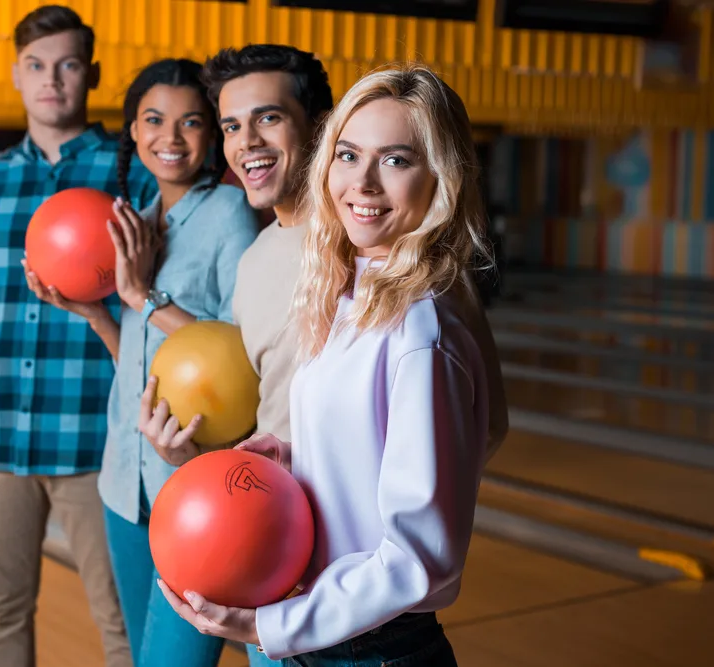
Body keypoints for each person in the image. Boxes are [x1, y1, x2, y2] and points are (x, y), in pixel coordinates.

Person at [157, 65, 510, 666]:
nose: (363, 183)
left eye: (396, 161)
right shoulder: (351, 295)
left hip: (375, 649)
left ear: (441, 179)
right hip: (331, 637)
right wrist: (290, 456)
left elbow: (420, 559)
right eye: (349, 155)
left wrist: (273, 625)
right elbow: (369, 449)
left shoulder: (423, 329)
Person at [0, 6, 157, 667]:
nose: (52, 80)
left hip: (96, 444)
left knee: (122, 622)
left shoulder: (131, 175)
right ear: (15, 75)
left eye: (68, 64)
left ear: (90, 74)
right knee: (1, 612)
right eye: (37, 66)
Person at [27, 57, 260, 666]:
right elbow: (143, 360)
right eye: (154, 120)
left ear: (211, 135)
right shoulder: (134, 219)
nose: (171, 138)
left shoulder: (227, 215)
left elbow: (240, 352)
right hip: (123, 479)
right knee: (140, 655)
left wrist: (143, 298)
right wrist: (101, 317)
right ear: (132, 129)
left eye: (190, 123)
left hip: (189, 480)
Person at [137, 45, 333, 665]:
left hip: (335, 566)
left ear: (320, 124)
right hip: (254, 529)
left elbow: (479, 424)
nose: (247, 141)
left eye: (269, 118)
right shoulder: (255, 263)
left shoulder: (373, 246)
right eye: (231, 125)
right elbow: (247, 412)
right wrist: (189, 447)